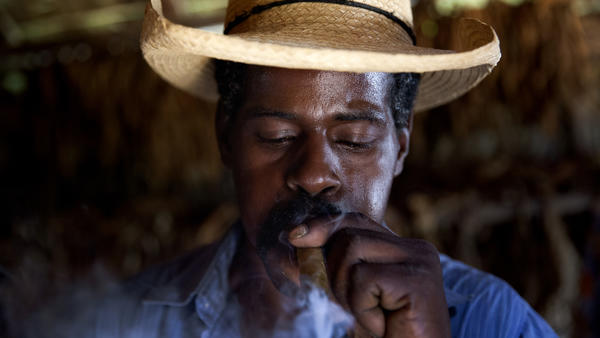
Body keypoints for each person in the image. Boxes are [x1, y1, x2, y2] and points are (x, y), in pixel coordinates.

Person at [95, 0, 558, 337]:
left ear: (400, 148)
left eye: (353, 140)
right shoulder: (125, 320)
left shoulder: (491, 319)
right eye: (277, 136)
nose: (315, 174)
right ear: (225, 139)